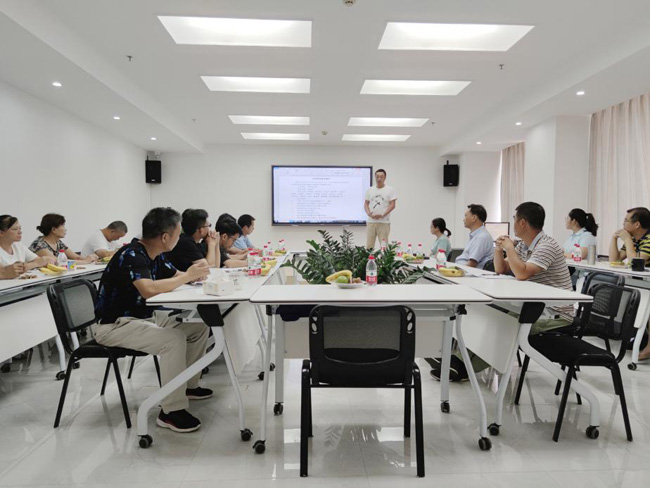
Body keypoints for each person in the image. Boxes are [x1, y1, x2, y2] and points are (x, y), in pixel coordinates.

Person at [93, 207, 211, 433]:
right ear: (165, 237)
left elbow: (176, 276)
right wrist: (188, 276)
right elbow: (148, 289)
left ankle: (187, 385)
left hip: (143, 319)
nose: (179, 238)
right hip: (113, 326)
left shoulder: (155, 255)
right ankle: (171, 411)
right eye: (177, 234)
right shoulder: (132, 255)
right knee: (174, 339)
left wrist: (195, 275)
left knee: (198, 327)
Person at [430, 202, 573, 382]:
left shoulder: (546, 245)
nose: (513, 222)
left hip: (556, 313)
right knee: (491, 314)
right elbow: (501, 269)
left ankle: (463, 367)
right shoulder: (524, 245)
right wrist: (499, 249)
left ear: (522, 223)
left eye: (514, 219)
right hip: (534, 307)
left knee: (505, 324)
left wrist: (510, 248)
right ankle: (458, 359)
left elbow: (522, 273)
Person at [0, 215, 55, 279]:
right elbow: (5, 271)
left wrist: (40, 262)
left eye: (20, 228)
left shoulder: (18, 245)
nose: (20, 232)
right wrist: (36, 264)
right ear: (1, 233)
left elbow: (41, 260)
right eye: (15, 229)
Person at [29, 213, 97, 264]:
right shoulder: (39, 244)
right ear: (54, 229)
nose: (65, 229)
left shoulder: (58, 242)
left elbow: (76, 257)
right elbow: (58, 262)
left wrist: (91, 259)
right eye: (63, 225)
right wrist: (85, 261)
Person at [364, 169, 397, 249]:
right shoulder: (370, 190)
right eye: (377, 177)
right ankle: (369, 258)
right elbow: (366, 204)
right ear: (375, 177)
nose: (379, 179)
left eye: (381, 177)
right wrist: (368, 213)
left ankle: (384, 258)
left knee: (384, 246)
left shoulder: (390, 190)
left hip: (384, 222)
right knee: (369, 246)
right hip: (371, 222)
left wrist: (382, 214)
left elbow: (392, 205)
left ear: (385, 178)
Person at [454, 204, 493, 269]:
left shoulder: (482, 237)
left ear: (474, 218)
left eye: (466, 216)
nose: (463, 219)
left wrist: (453, 271)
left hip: (467, 272)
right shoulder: (476, 236)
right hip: (462, 269)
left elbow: (471, 264)